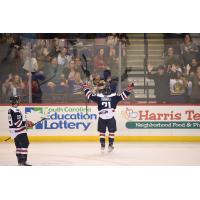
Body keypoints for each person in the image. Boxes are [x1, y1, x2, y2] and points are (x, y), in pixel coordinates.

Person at [82, 81, 134, 152]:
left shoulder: (99, 97)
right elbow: (123, 96)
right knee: (111, 132)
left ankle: (102, 145)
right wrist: (129, 89)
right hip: (110, 118)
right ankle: (110, 145)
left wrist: (85, 87)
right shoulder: (114, 97)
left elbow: (89, 95)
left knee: (102, 132)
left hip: (102, 118)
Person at [8, 96, 34, 166]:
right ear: (16, 101)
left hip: (14, 131)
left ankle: (19, 161)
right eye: (18, 100)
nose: (19, 101)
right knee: (25, 144)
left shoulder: (10, 110)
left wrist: (25, 123)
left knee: (18, 146)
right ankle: (23, 161)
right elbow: (18, 123)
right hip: (19, 131)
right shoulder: (16, 111)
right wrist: (26, 123)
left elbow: (15, 123)